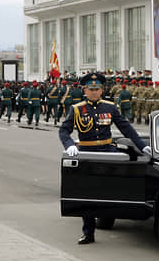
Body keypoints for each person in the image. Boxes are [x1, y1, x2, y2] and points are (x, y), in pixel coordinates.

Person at [59, 73, 151, 245]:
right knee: (86, 193)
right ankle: (88, 232)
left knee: (115, 186)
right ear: (84, 90)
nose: (95, 92)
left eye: (98, 89)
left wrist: (141, 145)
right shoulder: (77, 109)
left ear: (102, 90)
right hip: (87, 152)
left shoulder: (110, 107)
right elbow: (63, 130)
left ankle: (120, 217)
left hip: (108, 151)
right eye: (91, 89)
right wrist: (70, 145)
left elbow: (126, 128)